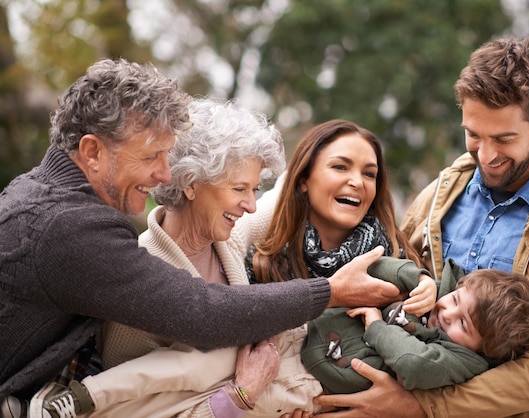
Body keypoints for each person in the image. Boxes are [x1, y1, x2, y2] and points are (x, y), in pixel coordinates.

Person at [0, 59, 401, 417]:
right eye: (150, 157)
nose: (164, 173)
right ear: (91, 152)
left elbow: (280, 199)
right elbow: (202, 313)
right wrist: (329, 293)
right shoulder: (73, 228)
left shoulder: (37, 194)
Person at [311, 37, 529, 418]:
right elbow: (392, 276)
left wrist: (420, 407)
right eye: (473, 135)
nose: (486, 156)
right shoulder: (444, 189)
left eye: (504, 139)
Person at [246, 119, 438, 416]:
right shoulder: (262, 265)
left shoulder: (402, 267)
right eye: (340, 167)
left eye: (369, 174)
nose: (358, 182)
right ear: (303, 180)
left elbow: (429, 357)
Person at [302, 257, 529, 394]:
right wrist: (420, 278)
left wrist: (377, 327)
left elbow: (413, 363)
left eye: (463, 324)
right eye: (455, 299)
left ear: (483, 349)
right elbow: (378, 267)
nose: (447, 313)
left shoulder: (462, 361)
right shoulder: (438, 293)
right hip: (310, 327)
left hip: (318, 384)